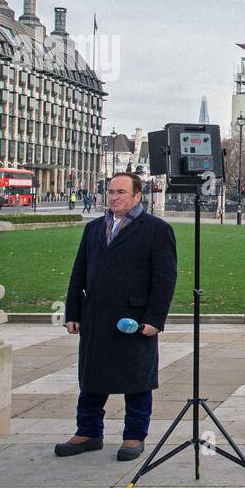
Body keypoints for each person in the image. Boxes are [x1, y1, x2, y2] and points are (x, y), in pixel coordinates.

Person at [56, 172, 178, 461]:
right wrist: (73, 311)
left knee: (136, 379)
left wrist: (155, 319)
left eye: (121, 192)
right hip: (96, 316)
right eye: (111, 192)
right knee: (91, 377)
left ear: (137, 196)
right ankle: (88, 431)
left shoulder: (157, 230)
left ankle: (134, 436)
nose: (114, 197)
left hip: (133, 320)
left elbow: (165, 279)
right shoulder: (95, 228)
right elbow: (79, 272)